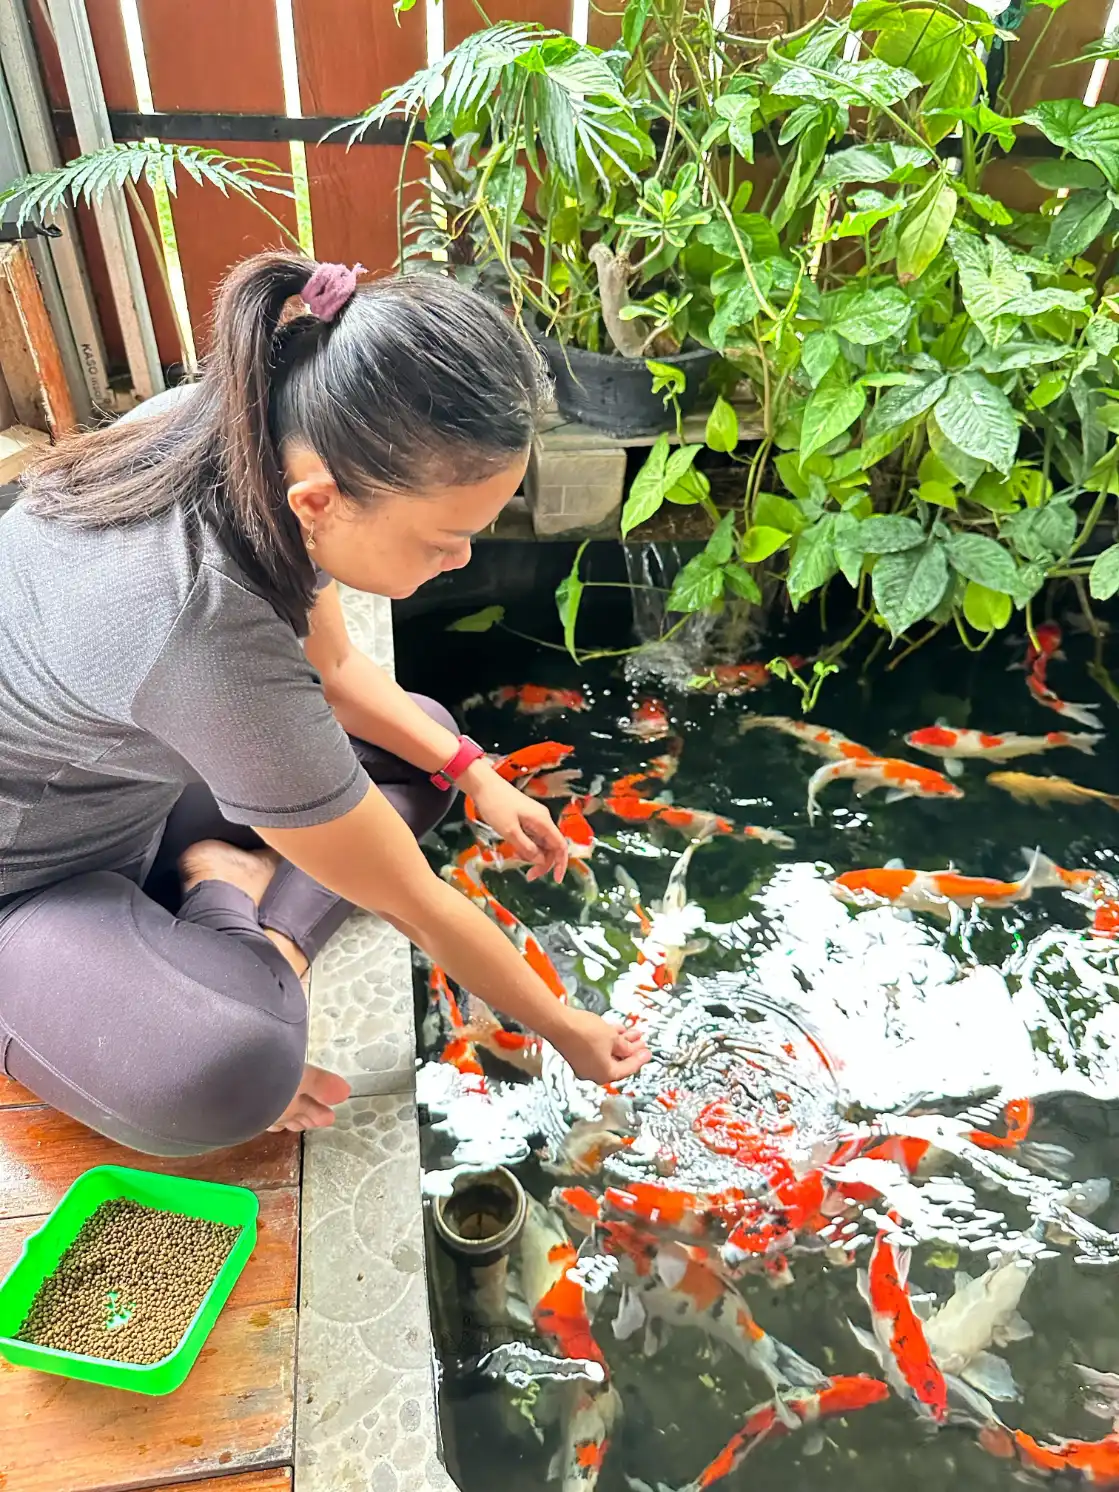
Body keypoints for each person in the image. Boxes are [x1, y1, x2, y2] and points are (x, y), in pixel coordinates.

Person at [0, 252, 650, 1158]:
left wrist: (479, 776)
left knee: (430, 745)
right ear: (320, 501)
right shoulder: (204, 629)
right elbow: (418, 905)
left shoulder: (250, 425)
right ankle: (221, 887)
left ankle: (235, 913)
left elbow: (337, 672)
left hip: (132, 781)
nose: (462, 560)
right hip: (30, 878)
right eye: (447, 538)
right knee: (236, 1070)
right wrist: (564, 1027)